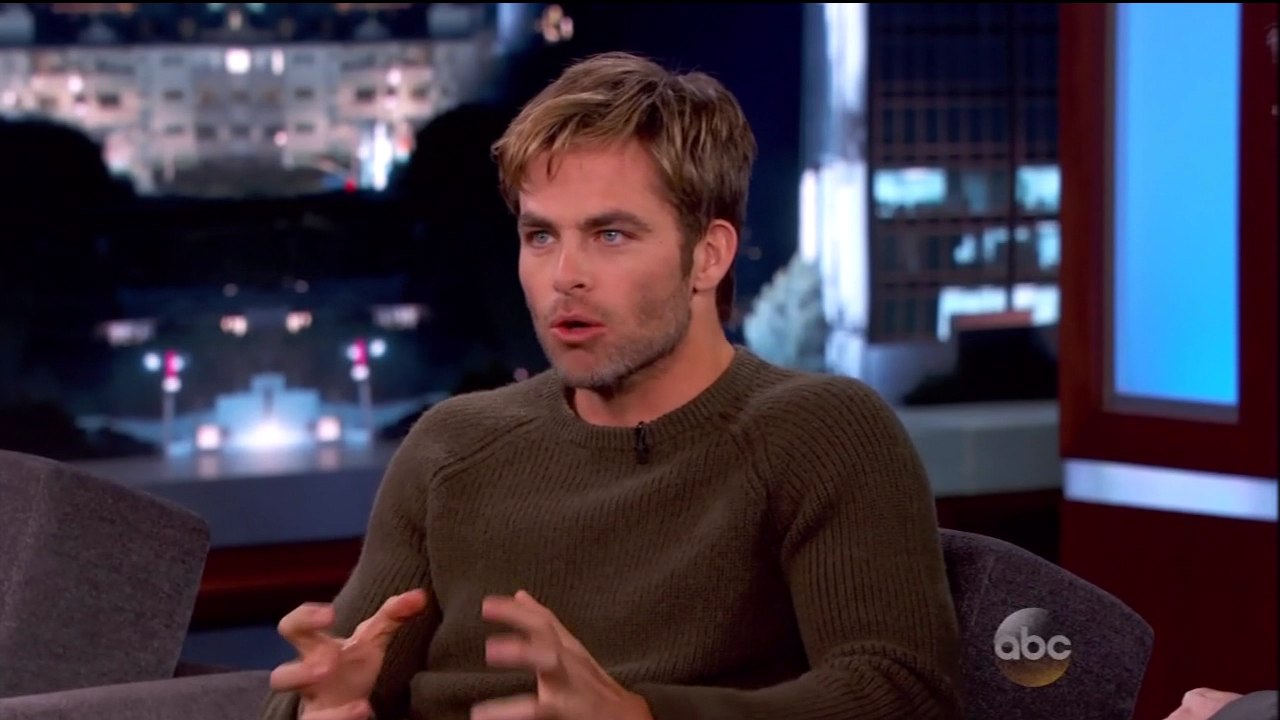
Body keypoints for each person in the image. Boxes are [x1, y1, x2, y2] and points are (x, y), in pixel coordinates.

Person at [260, 51, 962, 720]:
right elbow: (334, 674)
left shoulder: (818, 432)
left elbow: (901, 693)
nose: (565, 276)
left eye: (610, 235)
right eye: (541, 237)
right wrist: (321, 707)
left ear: (708, 255)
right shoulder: (453, 446)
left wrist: (643, 714)